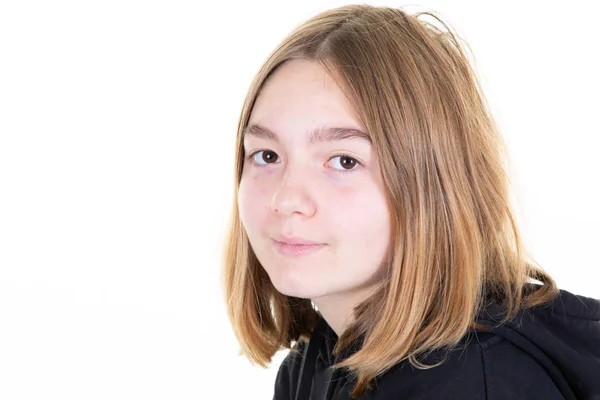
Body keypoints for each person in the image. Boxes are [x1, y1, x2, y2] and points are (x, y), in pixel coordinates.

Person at [220, 4, 600, 399]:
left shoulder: (472, 382)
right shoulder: (313, 365)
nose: (286, 199)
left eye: (345, 161)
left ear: (432, 182)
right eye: (266, 156)